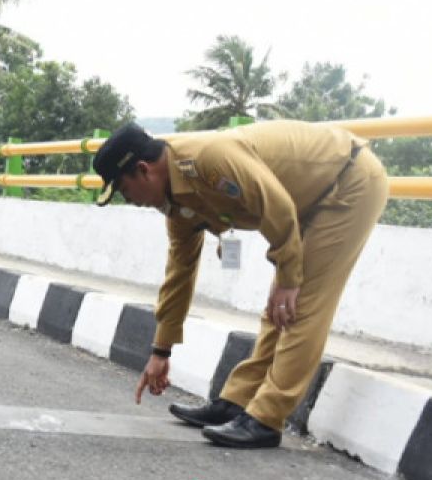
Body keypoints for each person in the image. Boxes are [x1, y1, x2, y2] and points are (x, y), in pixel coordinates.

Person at [93, 120, 388, 448]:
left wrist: (289, 279)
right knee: (276, 310)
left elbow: (275, 205)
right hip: (305, 201)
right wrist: (160, 351)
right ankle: (237, 402)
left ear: (144, 170)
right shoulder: (176, 203)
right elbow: (179, 272)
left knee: (301, 306)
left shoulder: (208, 160)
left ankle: (266, 418)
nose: (129, 200)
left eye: (123, 190)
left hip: (346, 182)